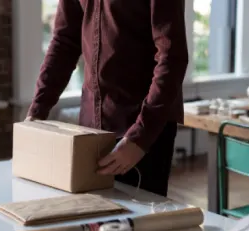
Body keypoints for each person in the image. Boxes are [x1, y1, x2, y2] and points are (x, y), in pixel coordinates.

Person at [26, 0, 188, 197]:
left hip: (143, 130)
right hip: (90, 129)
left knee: (138, 224)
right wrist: (37, 112)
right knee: (92, 221)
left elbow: (172, 57)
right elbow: (64, 41)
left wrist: (140, 138)